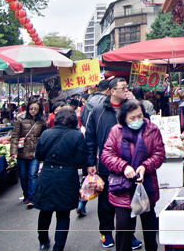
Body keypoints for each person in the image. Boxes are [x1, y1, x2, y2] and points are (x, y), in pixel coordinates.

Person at [85, 78, 143, 249]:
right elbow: (89, 138)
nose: (126, 90)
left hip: (130, 164)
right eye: (122, 88)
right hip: (106, 163)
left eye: (127, 87)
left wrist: (136, 103)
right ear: (112, 91)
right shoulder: (98, 110)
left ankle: (129, 234)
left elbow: (145, 125)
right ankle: (106, 233)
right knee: (106, 203)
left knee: (130, 200)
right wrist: (90, 162)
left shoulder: (132, 107)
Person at [100, 99, 165, 251]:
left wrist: (145, 166)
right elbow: (107, 155)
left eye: (139, 116)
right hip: (122, 187)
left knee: (149, 227)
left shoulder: (152, 129)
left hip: (146, 184)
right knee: (123, 229)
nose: (137, 120)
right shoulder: (116, 131)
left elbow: (159, 154)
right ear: (124, 118)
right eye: (132, 118)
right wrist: (124, 167)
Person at [34, 107, 86, 251]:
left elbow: (38, 155)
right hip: (67, 176)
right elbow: (80, 159)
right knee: (63, 214)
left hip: (47, 175)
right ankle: (59, 247)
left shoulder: (46, 134)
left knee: (45, 211)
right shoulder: (77, 136)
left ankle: (43, 241)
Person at [11, 99, 47, 208]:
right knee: (23, 175)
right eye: (31, 108)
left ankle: (32, 197)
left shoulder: (42, 121)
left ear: (39, 110)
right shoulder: (20, 120)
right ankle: (26, 195)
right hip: (22, 152)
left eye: (35, 109)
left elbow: (45, 136)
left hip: (35, 152)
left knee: (33, 174)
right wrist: (14, 152)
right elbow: (15, 136)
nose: (33, 111)